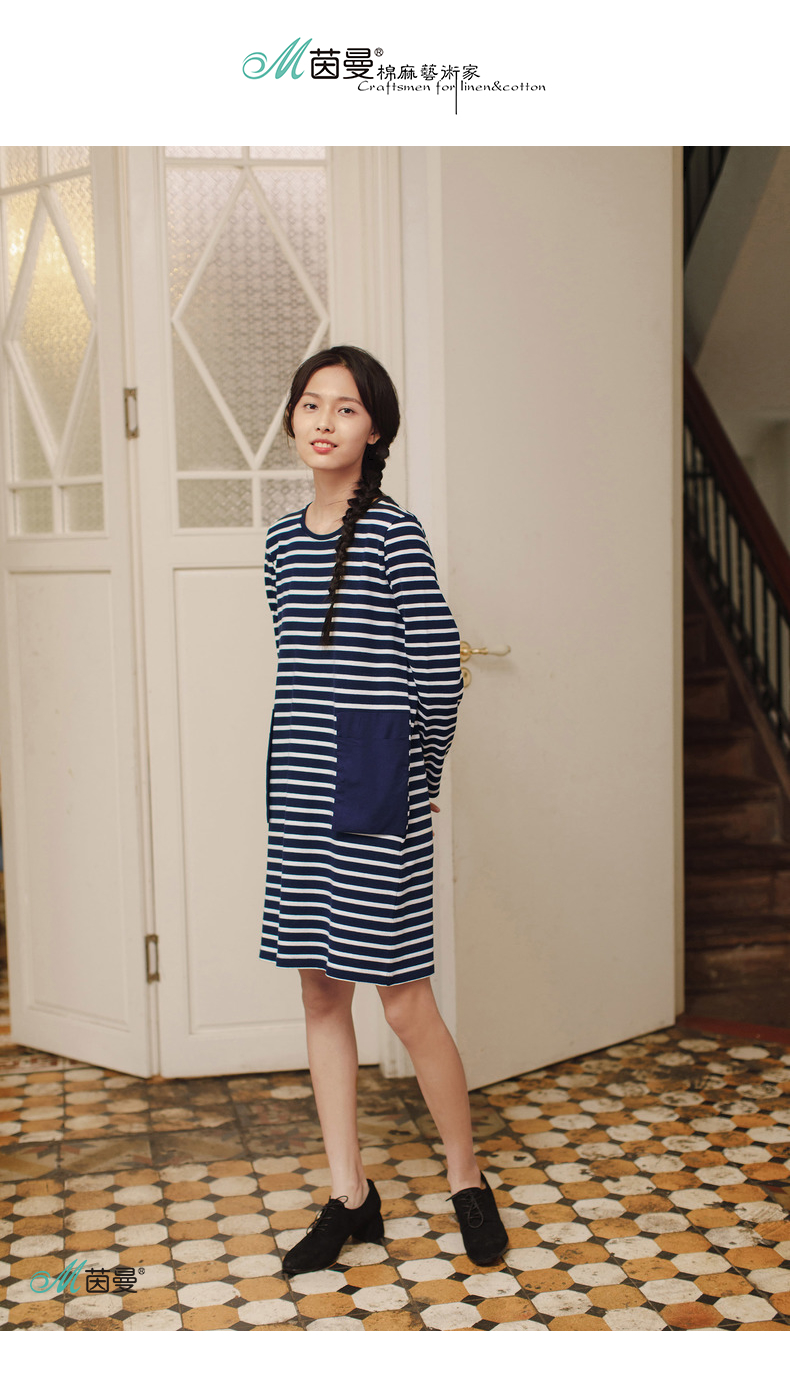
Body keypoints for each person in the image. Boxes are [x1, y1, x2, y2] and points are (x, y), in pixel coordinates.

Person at [260, 345, 508, 1277]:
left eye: (347, 408)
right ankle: (350, 1195)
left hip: (376, 788)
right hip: (300, 788)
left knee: (403, 999)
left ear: (375, 430)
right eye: (311, 403)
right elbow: (299, 671)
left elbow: (438, 670)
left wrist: (419, 775)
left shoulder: (396, 535)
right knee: (321, 992)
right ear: (293, 418)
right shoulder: (280, 544)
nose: (324, 421)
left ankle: (465, 1177)